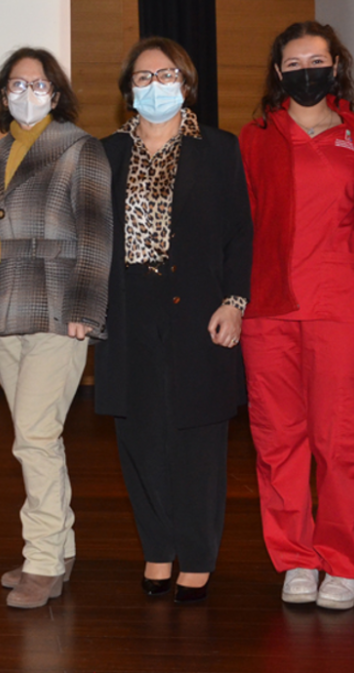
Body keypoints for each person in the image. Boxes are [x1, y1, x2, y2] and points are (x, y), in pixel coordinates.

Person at [94, 37, 252, 604]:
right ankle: (158, 548)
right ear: (127, 89)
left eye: (166, 75)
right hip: (128, 306)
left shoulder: (219, 149)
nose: (154, 85)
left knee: (196, 440)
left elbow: (240, 233)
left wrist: (235, 301)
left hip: (198, 307)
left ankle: (199, 554)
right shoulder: (104, 154)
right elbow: (90, 240)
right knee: (138, 437)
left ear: (186, 83)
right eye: (142, 77)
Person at [0, 47, 112, 609]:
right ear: (2, 95)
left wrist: (88, 309)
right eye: (16, 84)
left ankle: (42, 561)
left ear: (56, 90)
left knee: (35, 438)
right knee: (36, 437)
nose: (27, 92)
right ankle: (60, 546)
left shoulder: (80, 148)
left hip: (58, 306)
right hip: (1, 311)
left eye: (39, 83)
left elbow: (96, 235)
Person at [238, 22, 354, 610]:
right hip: (269, 311)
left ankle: (342, 560)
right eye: (294, 62)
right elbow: (237, 228)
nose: (306, 70)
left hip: (342, 307)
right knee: (277, 440)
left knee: (339, 441)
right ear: (278, 73)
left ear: (337, 65)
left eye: (317, 59)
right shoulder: (253, 137)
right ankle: (295, 556)